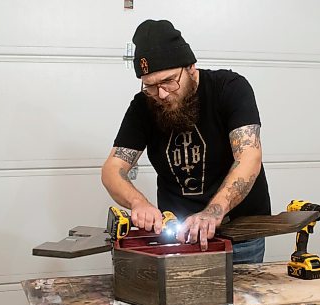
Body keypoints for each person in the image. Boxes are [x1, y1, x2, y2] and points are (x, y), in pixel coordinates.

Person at [101, 19, 271, 264]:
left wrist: (213, 212)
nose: (161, 94)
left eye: (169, 81)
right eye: (150, 85)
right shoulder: (143, 106)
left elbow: (249, 157)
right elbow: (112, 170)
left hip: (241, 236)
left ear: (191, 67)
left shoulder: (230, 88)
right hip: (181, 237)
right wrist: (139, 203)